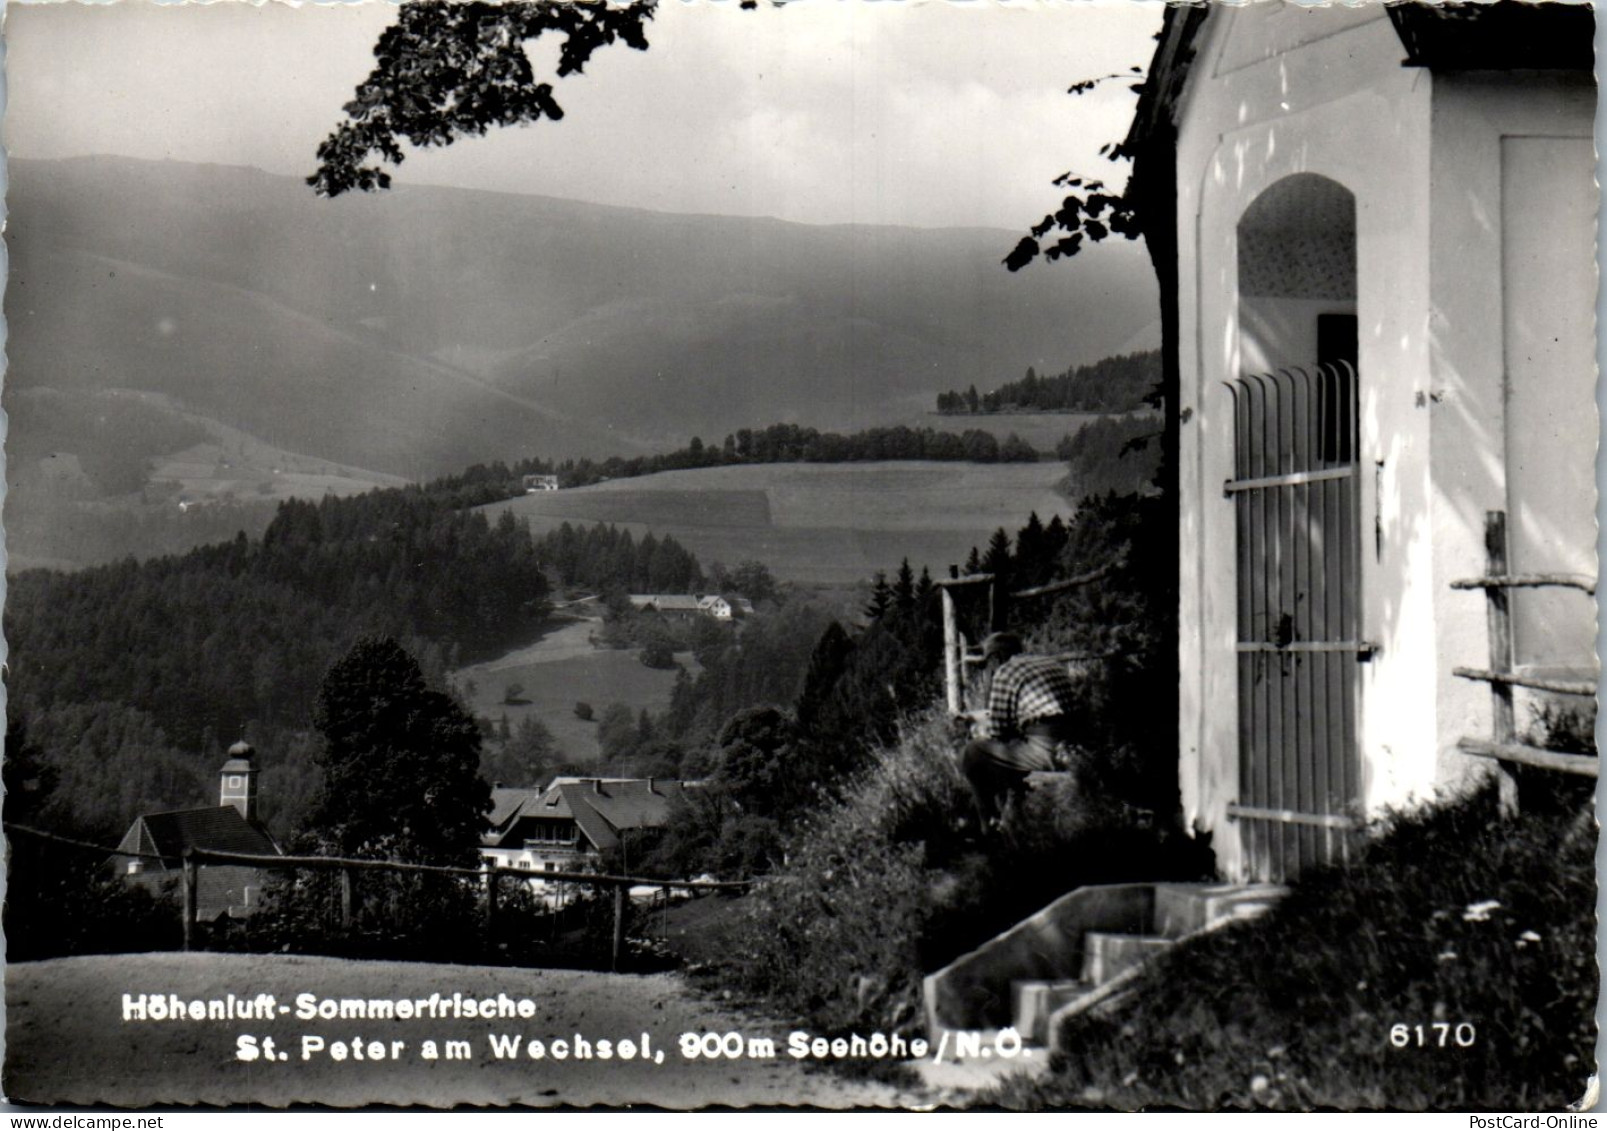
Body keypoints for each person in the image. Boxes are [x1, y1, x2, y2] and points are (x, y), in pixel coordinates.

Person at [958, 631, 1080, 831]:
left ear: (996, 657)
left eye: (988, 662)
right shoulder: (1048, 662)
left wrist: (978, 726)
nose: (989, 668)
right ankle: (1012, 818)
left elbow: (1000, 731)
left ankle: (988, 826)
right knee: (1006, 750)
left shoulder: (1005, 671)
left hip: (1045, 749)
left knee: (972, 753)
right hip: (1072, 743)